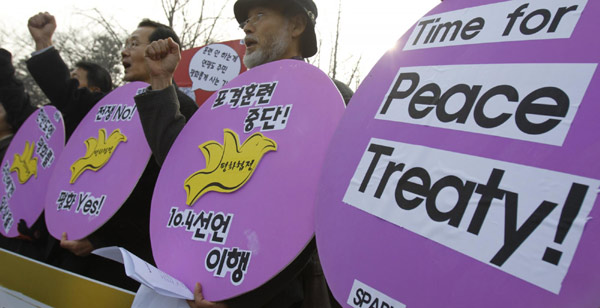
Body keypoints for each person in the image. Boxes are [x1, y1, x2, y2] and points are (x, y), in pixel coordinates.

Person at [134, 0, 352, 306]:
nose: (247, 27)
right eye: (245, 21)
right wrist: (160, 81)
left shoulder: (332, 100)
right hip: (203, 280)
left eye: (259, 16)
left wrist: (238, 297)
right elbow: (181, 166)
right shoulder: (230, 98)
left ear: (297, 26)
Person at [26, 12, 198, 290]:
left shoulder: (180, 111)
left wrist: (102, 241)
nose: (124, 51)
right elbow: (69, 96)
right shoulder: (108, 106)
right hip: (66, 247)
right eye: (126, 43)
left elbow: (168, 197)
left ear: (161, 50)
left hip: (121, 265)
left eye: (134, 43)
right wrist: (44, 42)